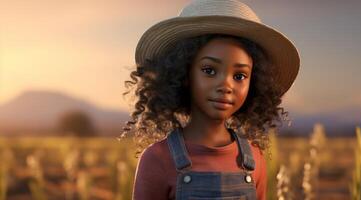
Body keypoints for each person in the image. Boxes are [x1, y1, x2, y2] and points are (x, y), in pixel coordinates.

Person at [121, 0, 300, 199]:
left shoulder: (255, 159)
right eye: (209, 70)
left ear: (255, 82)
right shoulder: (157, 159)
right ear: (184, 74)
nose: (226, 85)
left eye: (239, 76)